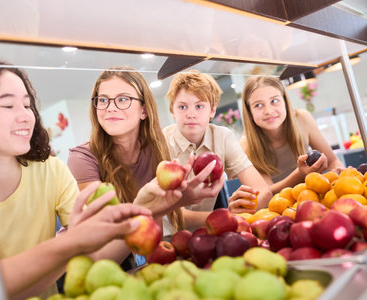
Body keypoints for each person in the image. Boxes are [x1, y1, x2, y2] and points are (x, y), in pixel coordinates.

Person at [0, 60, 155, 299]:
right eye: (8, 105)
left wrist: (147, 206)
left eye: (27, 105)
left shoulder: (52, 171)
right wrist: (71, 243)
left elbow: (95, 255)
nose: (26, 117)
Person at [67, 66, 224, 264]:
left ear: (144, 110)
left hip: (132, 254)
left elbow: (152, 230)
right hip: (90, 260)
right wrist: (154, 206)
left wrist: (174, 203)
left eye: (123, 99)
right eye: (103, 100)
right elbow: (105, 232)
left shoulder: (154, 150)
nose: (110, 107)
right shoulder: (82, 158)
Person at [163, 70, 273, 227]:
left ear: (212, 110)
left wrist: (242, 207)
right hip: (167, 238)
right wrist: (226, 215)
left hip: (211, 231)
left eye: (199, 106)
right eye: (182, 107)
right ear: (172, 111)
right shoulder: (161, 142)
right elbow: (171, 214)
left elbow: (263, 192)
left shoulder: (222, 137)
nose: (191, 114)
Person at [237, 75, 344, 196]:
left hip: (311, 197)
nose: (269, 111)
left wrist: (338, 172)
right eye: (258, 105)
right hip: (279, 207)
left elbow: (333, 161)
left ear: (285, 102)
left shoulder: (302, 119)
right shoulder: (245, 145)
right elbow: (265, 192)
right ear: (249, 112)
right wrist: (299, 175)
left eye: (274, 101)